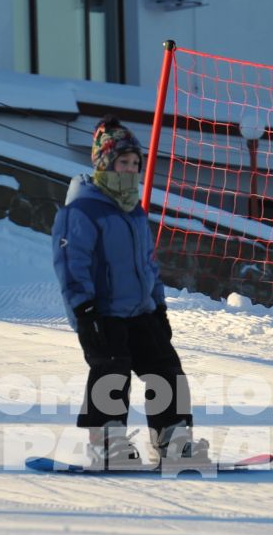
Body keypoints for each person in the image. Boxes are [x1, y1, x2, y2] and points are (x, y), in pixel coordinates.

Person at [52, 117, 210, 470]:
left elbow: (147, 263)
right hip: (102, 312)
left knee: (166, 368)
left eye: (135, 163)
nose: (131, 169)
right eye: (123, 162)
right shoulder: (81, 210)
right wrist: (85, 310)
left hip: (140, 311)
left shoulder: (133, 210)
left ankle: (173, 438)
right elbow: (71, 264)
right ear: (104, 164)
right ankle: (106, 441)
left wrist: (159, 306)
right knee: (112, 371)